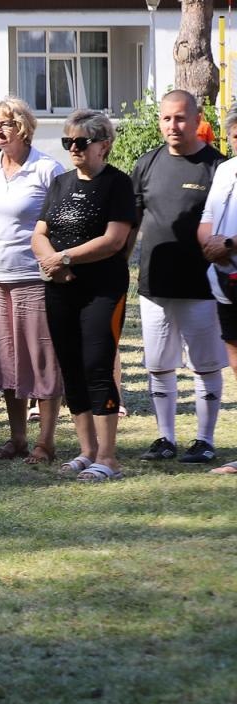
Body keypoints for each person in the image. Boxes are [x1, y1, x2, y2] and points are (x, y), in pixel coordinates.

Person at [33, 110, 135, 480]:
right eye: (67, 142)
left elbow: (114, 241)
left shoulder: (117, 184)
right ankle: (87, 450)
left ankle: (108, 457)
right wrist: (51, 262)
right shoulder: (60, 184)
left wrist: (65, 256)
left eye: (81, 142)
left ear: (103, 145)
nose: (73, 148)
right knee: (71, 367)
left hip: (102, 290)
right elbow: (39, 232)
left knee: (97, 364)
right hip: (60, 288)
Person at [132, 89, 225, 465]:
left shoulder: (216, 167)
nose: (173, 125)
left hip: (201, 287)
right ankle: (165, 438)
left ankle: (204, 440)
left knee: (204, 365)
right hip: (154, 285)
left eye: (181, 118)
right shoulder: (147, 163)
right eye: (167, 118)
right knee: (158, 364)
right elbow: (131, 222)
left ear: (198, 117)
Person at [0, 97, 66, 462]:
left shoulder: (47, 169)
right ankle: (17, 439)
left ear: (24, 128)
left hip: (34, 277)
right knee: (6, 362)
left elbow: (62, 223)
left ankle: (46, 441)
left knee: (40, 360)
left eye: (6, 124)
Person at [197, 106, 237, 474]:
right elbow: (208, 218)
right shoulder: (225, 170)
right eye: (235, 132)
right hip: (224, 279)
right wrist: (210, 244)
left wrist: (229, 244)